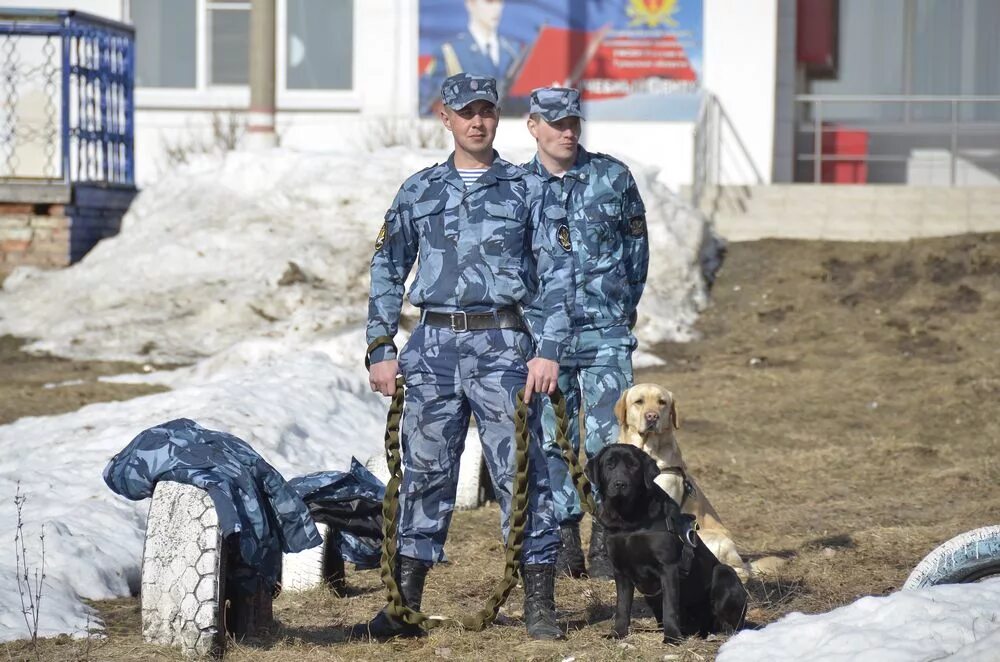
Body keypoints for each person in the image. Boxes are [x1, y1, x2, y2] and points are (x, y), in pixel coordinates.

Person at [365, 73, 574, 640]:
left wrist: (549, 349)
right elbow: (387, 268)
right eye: (466, 112)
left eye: (486, 111)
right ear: (446, 118)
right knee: (425, 473)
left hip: (504, 345)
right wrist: (381, 347)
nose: (477, 121)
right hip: (431, 346)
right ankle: (405, 605)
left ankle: (539, 604)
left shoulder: (528, 191)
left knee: (519, 474)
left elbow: (558, 276)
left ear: (497, 117)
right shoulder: (419, 190)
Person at [522, 86, 650, 579]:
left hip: (603, 334)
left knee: (608, 441)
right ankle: (561, 538)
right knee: (551, 438)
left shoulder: (612, 178)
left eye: (573, 120)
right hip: (541, 340)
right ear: (534, 126)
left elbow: (637, 252)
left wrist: (621, 307)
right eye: (555, 123)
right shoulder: (515, 186)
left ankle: (607, 538)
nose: (567, 130)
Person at [419, 0, 527, 114]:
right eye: (489, 2)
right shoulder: (451, 52)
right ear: (470, 4)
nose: (497, 9)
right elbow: (429, 103)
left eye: (499, 2)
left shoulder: (513, 50)